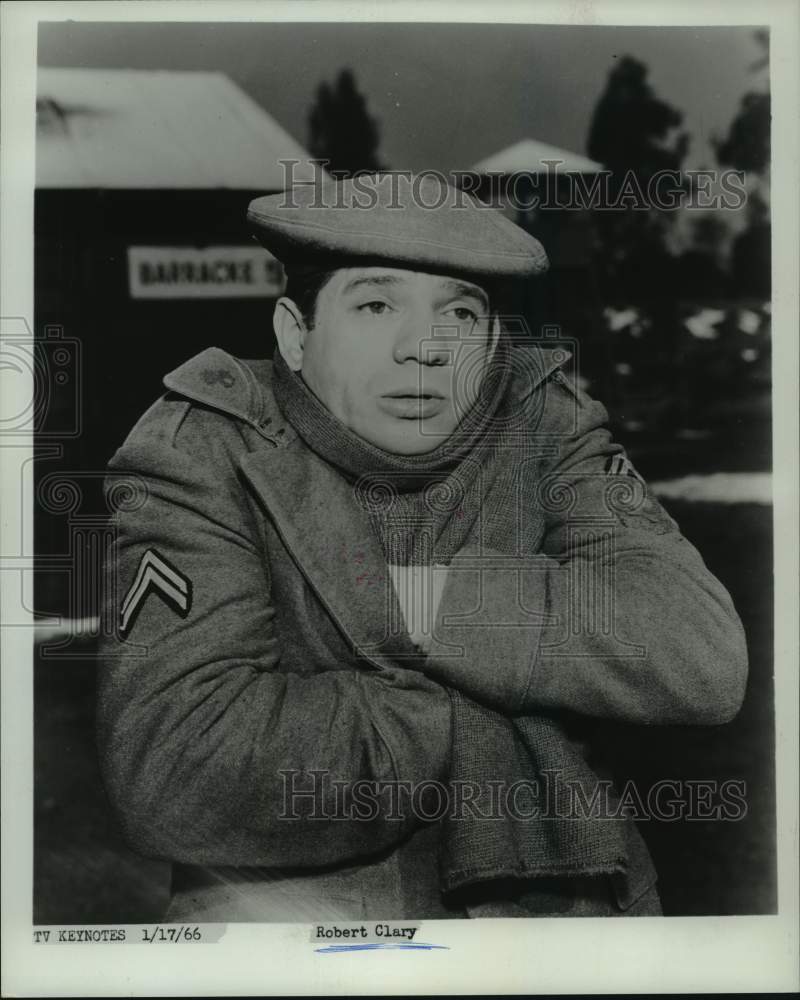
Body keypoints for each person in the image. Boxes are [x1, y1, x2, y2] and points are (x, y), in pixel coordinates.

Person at [97, 173, 748, 921]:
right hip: (306, 938)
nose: (424, 350)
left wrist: (411, 603)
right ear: (295, 333)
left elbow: (700, 654)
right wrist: (482, 711)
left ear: (493, 337)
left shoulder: (542, 420)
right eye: (375, 306)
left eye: (460, 314)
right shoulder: (205, 447)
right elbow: (177, 771)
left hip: (567, 925)